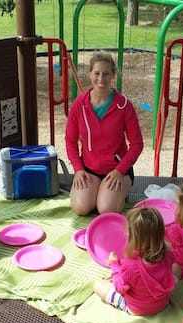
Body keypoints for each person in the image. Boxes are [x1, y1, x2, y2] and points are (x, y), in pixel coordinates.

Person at [65, 52, 144, 216]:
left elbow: (137, 144)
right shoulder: (79, 105)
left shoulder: (124, 106)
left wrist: (120, 171)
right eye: (97, 73)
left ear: (113, 75)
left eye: (106, 74)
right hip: (89, 169)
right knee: (81, 208)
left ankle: (116, 191)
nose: (101, 79)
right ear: (90, 74)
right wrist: (78, 169)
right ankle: (97, 192)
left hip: (116, 170)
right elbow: (70, 141)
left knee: (106, 209)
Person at [93, 207, 176, 315]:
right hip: (161, 304)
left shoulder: (130, 266)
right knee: (176, 268)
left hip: (136, 308)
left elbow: (119, 288)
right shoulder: (168, 255)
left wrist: (115, 264)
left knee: (97, 285)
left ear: (134, 239)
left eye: (127, 234)